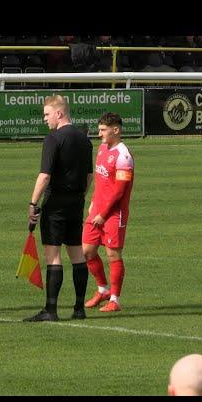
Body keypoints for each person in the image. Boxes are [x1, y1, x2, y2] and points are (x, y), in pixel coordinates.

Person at [24, 95, 93, 322]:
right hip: (76, 203)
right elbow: (90, 176)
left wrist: (33, 203)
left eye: (46, 114)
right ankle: (79, 308)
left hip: (55, 205)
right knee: (77, 255)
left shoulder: (53, 139)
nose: (45, 119)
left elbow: (45, 176)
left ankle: (51, 310)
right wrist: (80, 195)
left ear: (59, 113)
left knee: (53, 257)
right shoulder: (85, 140)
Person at [82, 112, 135, 313]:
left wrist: (103, 214)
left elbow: (119, 190)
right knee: (87, 251)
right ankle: (102, 289)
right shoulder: (103, 149)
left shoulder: (124, 156)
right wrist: (94, 202)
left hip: (114, 213)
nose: (99, 134)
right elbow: (101, 181)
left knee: (113, 254)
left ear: (116, 130)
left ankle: (115, 299)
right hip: (97, 210)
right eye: (99, 129)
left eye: (103, 130)